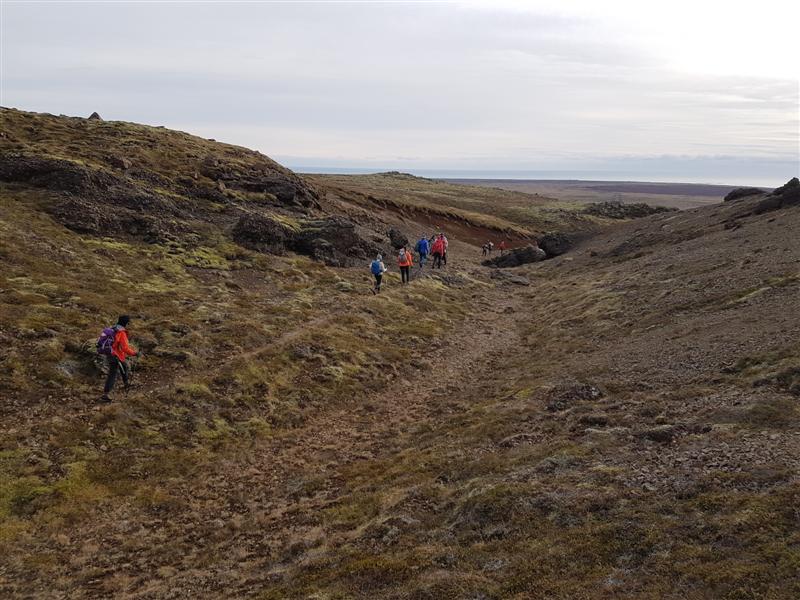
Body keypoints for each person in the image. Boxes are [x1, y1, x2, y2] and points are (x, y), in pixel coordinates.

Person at [100, 315, 138, 403]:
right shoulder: (121, 332)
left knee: (124, 366)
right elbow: (125, 348)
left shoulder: (113, 329)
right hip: (115, 355)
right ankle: (106, 394)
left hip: (110, 353)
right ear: (126, 323)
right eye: (129, 323)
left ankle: (126, 383)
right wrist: (134, 353)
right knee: (113, 373)